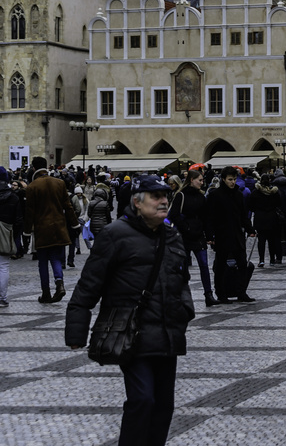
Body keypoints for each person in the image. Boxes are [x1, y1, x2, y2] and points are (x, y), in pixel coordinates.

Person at [65, 173, 194, 446]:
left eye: (165, 197)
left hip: (167, 331)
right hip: (130, 332)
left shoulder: (172, 234)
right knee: (142, 399)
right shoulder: (115, 235)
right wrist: (76, 331)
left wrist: (184, 310)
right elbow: (89, 285)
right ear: (137, 202)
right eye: (156, 197)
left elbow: (180, 278)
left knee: (163, 406)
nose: (163, 202)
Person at [23, 156, 80, 303]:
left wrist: (27, 232)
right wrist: (75, 224)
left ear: (34, 168)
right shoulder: (59, 183)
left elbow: (29, 212)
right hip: (58, 228)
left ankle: (46, 293)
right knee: (55, 258)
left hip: (42, 229)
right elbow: (68, 207)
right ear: (46, 166)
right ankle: (59, 284)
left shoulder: (32, 187)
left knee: (42, 262)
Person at [168, 164, 218, 306]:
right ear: (191, 180)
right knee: (183, 267)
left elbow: (206, 217)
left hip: (198, 236)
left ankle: (208, 294)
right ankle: (181, 294)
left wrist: (209, 236)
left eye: (202, 180)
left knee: (204, 264)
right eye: (200, 180)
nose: (202, 183)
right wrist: (186, 229)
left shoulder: (201, 197)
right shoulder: (181, 195)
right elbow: (174, 215)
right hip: (184, 235)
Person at [206, 166, 255, 302]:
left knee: (242, 264)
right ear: (223, 179)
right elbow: (209, 217)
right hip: (222, 235)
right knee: (221, 266)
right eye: (230, 179)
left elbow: (243, 215)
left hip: (237, 235)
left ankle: (241, 292)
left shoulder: (238, 194)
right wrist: (210, 236)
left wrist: (250, 229)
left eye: (234, 179)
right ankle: (221, 294)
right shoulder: (215, 195)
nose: (232, 182)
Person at [0, 166, 22, 306]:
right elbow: (19, 220)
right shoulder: (13, 197)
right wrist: (15, 236)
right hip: (6, 231)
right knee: (3, 266)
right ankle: (2, 297)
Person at [249, 172, 282, 266]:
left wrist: (257, 210)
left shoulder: (255, 192)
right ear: (269, 181)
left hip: (260, 218)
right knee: (271, 240)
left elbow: (250, 206)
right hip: (272, 218)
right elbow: (279, 203)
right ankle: (272, 259)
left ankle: (261, 260)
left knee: (261, 241)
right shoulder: (274, 193)